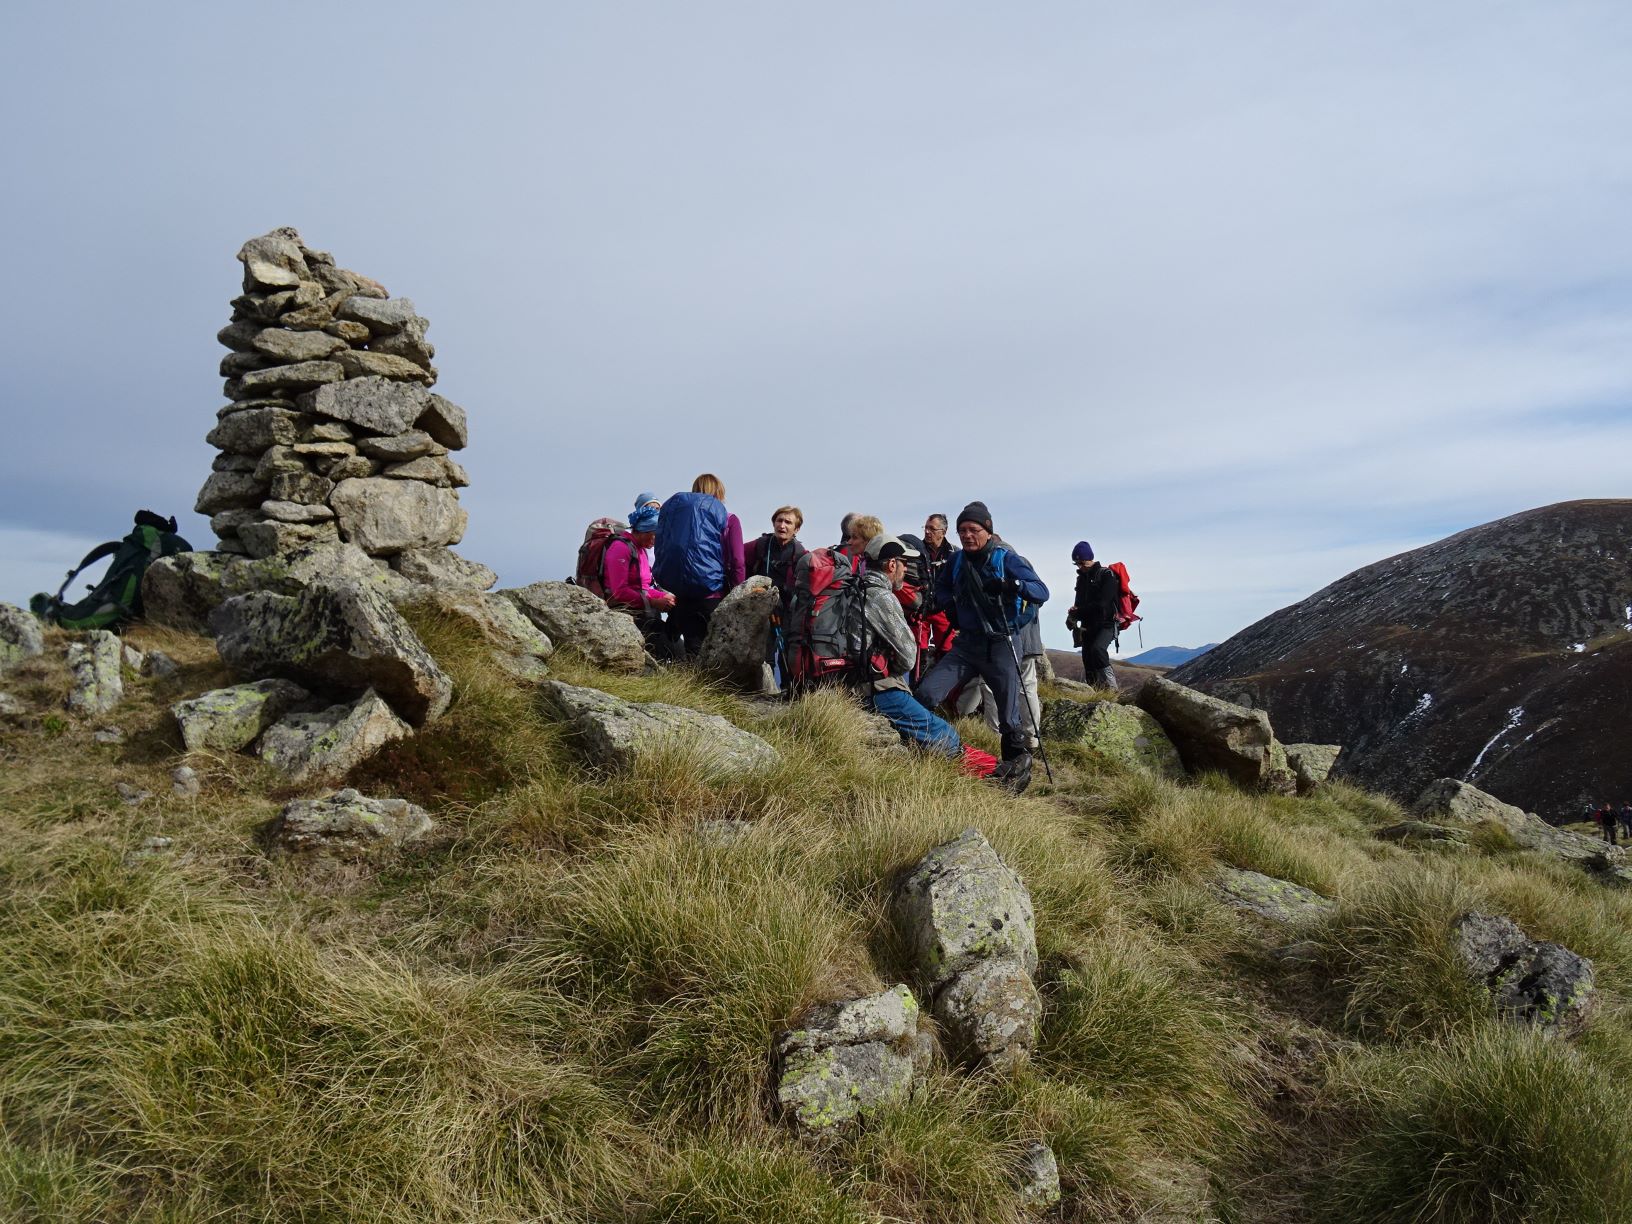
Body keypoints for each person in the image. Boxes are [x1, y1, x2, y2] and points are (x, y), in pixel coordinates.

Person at [915, 501, 1048, 791]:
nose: (967, 535)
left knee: (1009, 717)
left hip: (1001, 644)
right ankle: (928, 747)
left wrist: (1012, 586)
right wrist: (949, 605)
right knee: (926, 693)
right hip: (966, 645)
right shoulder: (958, 560)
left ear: (988, 531)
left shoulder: (1007, 559)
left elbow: (1041, 591)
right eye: (962, 530)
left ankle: (1014, 775)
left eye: (973, 529)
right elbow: (943, 588)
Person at [858, 534, 997, 778]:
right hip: (875, 689)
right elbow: (908, 658)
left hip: (848, 684)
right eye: (904, 564)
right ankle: (994, 773)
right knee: (944, 734)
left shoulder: (852, 588)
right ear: (892, 565)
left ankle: (994, 767)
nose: (906, 570)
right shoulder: (881, 597)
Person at [652, 473, 745, 660]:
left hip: (684, 596)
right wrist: (738, 594)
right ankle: (713, 689)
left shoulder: (680, 520)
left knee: (693, 649)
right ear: (719, 493)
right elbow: (737, 561)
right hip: (714, 595)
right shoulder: (729, 519)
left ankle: (693, 688)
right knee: (718, 654)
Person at [603, 500, 676, 659]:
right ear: (644, 530)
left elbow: (644, 587)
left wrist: (664, 596)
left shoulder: (640, 550)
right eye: (655, 534)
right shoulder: (620, 548)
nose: (657, 539)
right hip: (626, 616)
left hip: (643, 614)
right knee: (672, 651)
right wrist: (654, 602)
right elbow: (619, 592)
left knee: (675, 646)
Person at [744, 506, 808, 685]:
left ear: (796, 529)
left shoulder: (801, 555)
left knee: (787, 655)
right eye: (779, 520)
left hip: (788, 610)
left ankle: (789, 693)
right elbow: (736, 559)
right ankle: (763, 693)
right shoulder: (761, 545)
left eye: (788, 522)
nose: (782, 525)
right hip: (759, 609)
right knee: (764, 655)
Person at [1066, 541, 1121, 692]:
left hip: (1107, 623)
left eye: (1082, 562)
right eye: (1076, 563)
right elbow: (1079, 604)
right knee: (1088, 658)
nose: (1080, 567)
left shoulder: (1106, 575)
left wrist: (1079, 611)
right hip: (1088, 625)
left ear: (1090, 559)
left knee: (1098, 650)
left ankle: (1112, 690)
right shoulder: (1081, 579)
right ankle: (1094, 693)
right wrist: (1074, 613)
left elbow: (1103, 604)